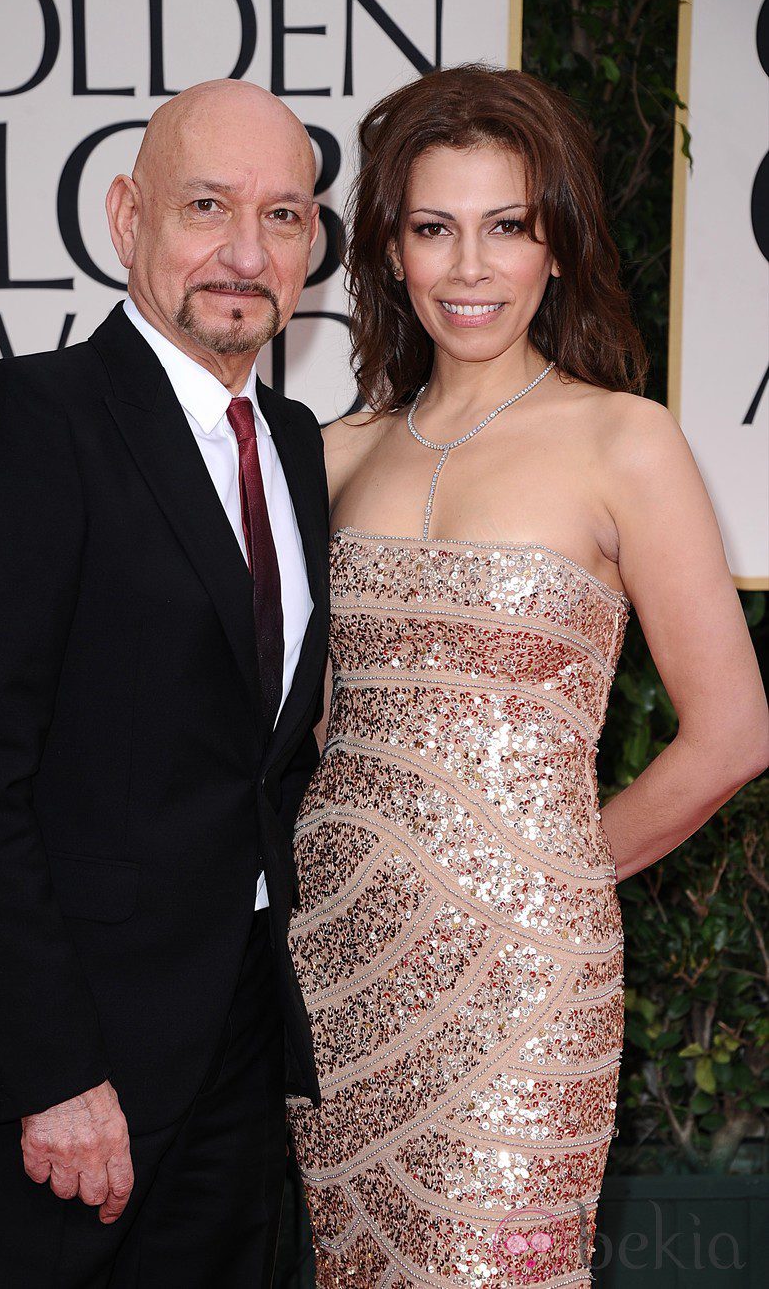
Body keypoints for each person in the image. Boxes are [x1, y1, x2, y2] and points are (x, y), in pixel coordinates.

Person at [287, 64, 769, 1287]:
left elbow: (729, 733)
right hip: (332, 973)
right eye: (433, 228)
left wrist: (541, 877)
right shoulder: (329, 452)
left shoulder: (625, 439)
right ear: (389, 250)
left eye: (506, 226)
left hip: (521, 984)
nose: (467, 268)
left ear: (555, 246)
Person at [0, 78, 330, 1288]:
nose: (245, 253)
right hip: (70, 1078)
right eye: (207, 206)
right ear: (124, 215)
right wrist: (53, 1072)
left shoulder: (292, 448)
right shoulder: (32, 419)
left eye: (284, 216)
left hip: (237, 1063)